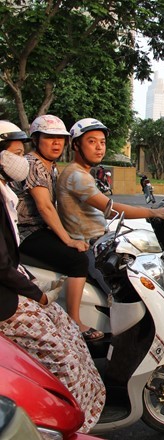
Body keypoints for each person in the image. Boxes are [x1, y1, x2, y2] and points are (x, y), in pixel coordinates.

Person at [0, 122, 105, 433]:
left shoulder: (10, 188)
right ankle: (72, 423)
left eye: (60, 138)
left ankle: (90, 405)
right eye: (17, 153)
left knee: (69, 335)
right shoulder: (38, 169)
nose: (24, 159)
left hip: (14, 280)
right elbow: (4, 264)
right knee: (62, 353)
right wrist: (36, 293)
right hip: (7, 297)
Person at [11, 115, 100, 340]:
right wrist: (68, 240)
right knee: (77, 259)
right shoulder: (33, 164)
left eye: (60, 138)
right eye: (49, 138)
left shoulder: (50, 168)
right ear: (36, 139)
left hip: (38, 230)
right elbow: (45, 207)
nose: (56, 143)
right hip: (26, 233)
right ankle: (74, 321)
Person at [56, 118, 164, 244]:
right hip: (86, 246)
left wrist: (148, 211)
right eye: (92, 142)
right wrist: (153, 212)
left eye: (102, 142)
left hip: (97, 240)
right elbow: (112, 210)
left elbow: (104, 209)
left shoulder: (79, 172)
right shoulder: (77, 176)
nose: (99, 147)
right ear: (76, 145)